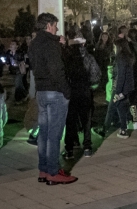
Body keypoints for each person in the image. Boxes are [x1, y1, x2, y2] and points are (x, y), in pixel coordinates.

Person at [30, 13, 76, 185]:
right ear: (49, 25)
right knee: (54, 135)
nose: (57, 28)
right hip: (55, 91)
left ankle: (44, 168)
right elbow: (57, 70)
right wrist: (66, 91)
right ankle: (53, 171)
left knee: (43, 133)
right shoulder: (50, 44)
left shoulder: (34, 43)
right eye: (56, 25)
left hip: (41, 91)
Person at [62, 34, 101, 159]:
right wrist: (91, 84)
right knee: (86, 120)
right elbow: (96, 75)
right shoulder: (89, 58)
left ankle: (69, 149)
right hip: (85, 91)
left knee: (71, 121)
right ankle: (87, 147)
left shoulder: (67, 58)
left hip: (72, 92)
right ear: (83, 44)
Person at [99, 37, 135, 138]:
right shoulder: (128, 57)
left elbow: (121, 75)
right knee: (120, 107)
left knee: (111, 108)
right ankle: (123, 129)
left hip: (120, 88)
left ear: (119, 47)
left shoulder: (121, 58)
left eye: (115, 46)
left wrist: (118, 92)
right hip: (126, 88)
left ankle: (105, 130)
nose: (114, 48)